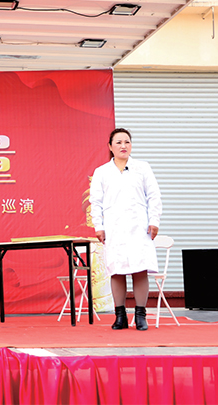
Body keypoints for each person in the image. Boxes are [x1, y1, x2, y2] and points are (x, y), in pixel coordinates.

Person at [90, 128, 162, 331]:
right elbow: (96, 202)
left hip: (139, 227)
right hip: (114, 228)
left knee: (140, 270)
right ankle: (119, 316)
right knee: (117, 271)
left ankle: (140, 315)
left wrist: (154, 221)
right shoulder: (102, 172)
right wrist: (99, 226)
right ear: (110, 146)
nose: (123, 146)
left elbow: (154, 196)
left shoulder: (142, 167)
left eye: (127, 142)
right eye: (119, 142)